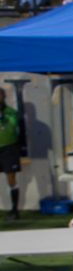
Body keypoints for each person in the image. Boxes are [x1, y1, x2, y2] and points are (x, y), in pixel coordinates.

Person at [0, 87, 22, 221]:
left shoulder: (11, 112)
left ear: (4, 97)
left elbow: (14, 126)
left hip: (9, 149)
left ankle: (14, 210)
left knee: (11, 179)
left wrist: (3, 118)